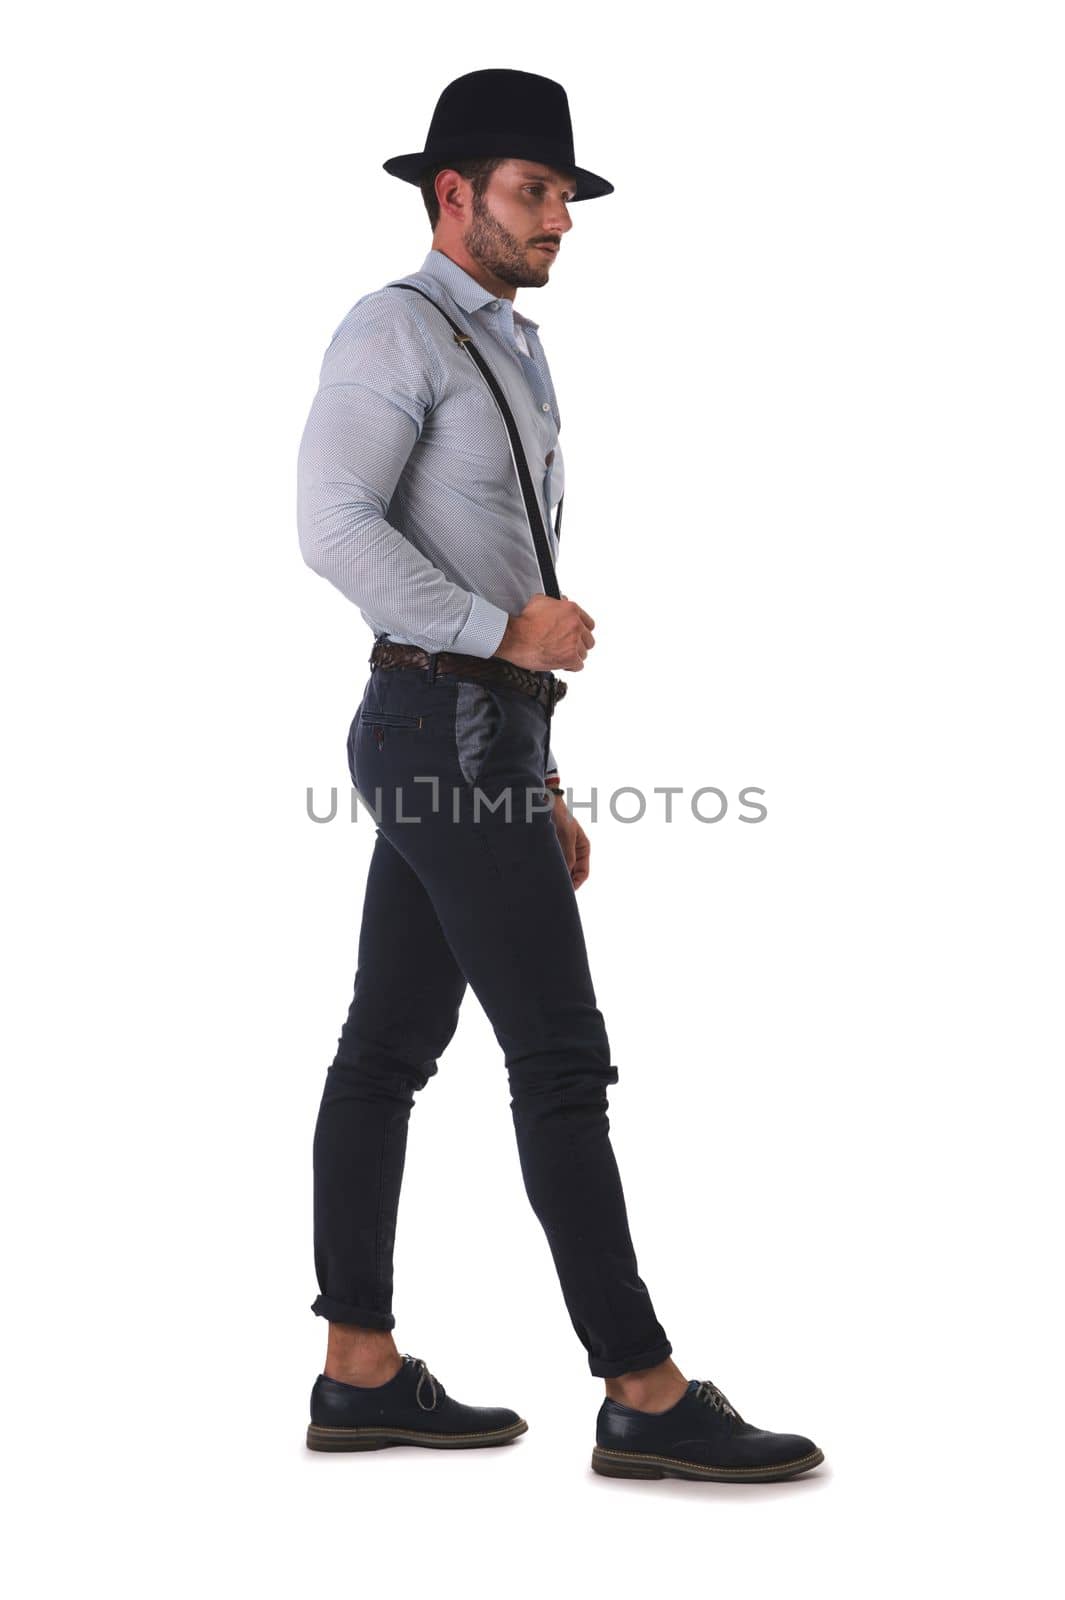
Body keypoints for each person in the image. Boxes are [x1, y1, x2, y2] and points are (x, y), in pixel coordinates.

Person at [296, 67, 824, 1482]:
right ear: (449, 193)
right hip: (436, 726)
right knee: (561, 1061)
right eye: (535, 193)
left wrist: (529, 765)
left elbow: (492, 565)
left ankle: (358, 1372)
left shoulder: (513, 347)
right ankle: (643, 1392)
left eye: (566, 197)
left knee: (387, 1051)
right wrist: (494, 640)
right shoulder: (391, 329)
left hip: (469, 739)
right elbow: (332, 527)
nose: (560, 221)